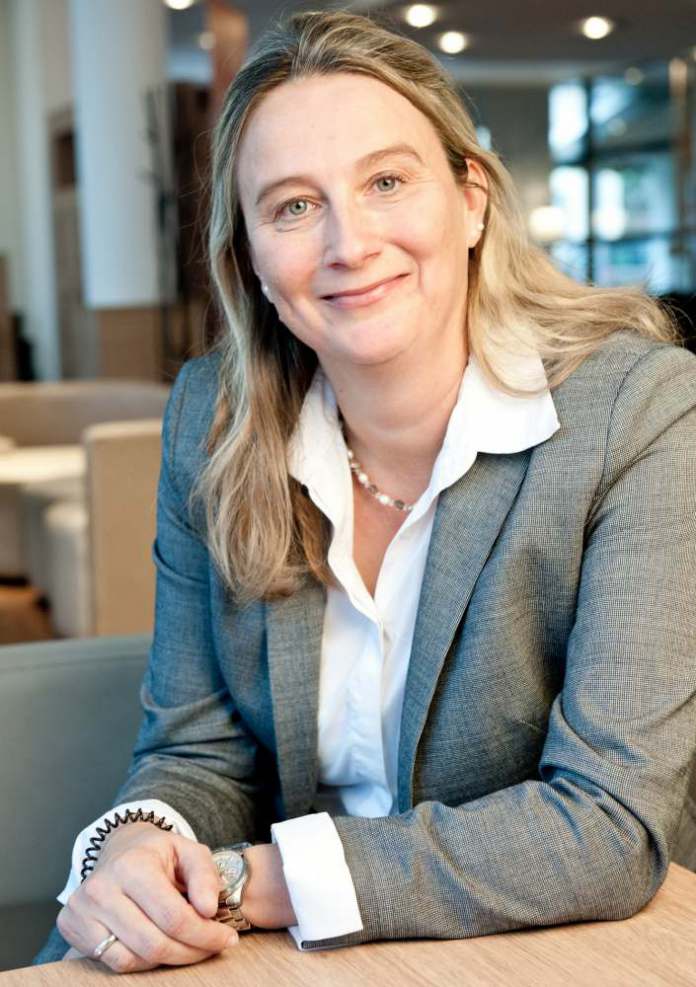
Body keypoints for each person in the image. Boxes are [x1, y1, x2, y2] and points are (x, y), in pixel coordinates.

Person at [36, 8, 696, 973]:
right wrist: (143, 841)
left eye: (387, 182)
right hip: (285, 951)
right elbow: (195, 750)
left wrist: (248, 878)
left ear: (471, 202)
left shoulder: (639, 411)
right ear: (250, 259)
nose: (348, 242)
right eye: (293, 206)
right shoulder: (211, 420)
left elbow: (608, 821)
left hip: (552, 949)